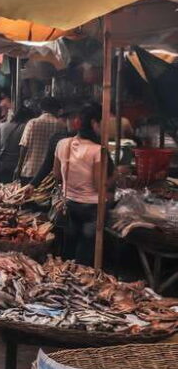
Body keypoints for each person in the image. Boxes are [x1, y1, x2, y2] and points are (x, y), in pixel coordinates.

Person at [53, 103, 109, 266]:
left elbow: (56, 175)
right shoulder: (98, 150)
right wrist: (115, 178)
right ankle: (80, 280)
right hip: (91, 207)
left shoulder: (63, 144)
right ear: (94, 123)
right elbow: (99, 185)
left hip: (68, 203)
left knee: (68, 247)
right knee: (85, 250)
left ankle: (62, 276)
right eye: (101, 123)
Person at [15, 96, 66, 185]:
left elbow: (24, 147)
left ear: (41, 108)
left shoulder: (32, 123)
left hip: (30, 170)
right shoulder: (61, 126)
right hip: (49, 175)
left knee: (28, 197)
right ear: (55, 109)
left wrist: (18, 167)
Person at [31, 111, 74, 187]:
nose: (71, 122)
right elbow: (48, 164)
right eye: (70, 119)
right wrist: (33, 184)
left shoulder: (91, 144)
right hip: (65, 187)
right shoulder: (57, 139)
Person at [0, 107, 34, 183]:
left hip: (3, 164)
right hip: (18, 165)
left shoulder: (2, 126)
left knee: (3, 191)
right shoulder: (25, 128)